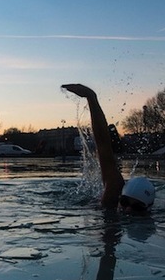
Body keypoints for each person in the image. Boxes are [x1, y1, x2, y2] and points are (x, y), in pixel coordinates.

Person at [62, 83, 155, 211]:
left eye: (137, 208)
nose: (127, 209)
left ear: (148, 208)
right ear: (120, 196)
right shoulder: (113, 194)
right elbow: (103, 144)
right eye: (124, 202)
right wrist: (91, 98)